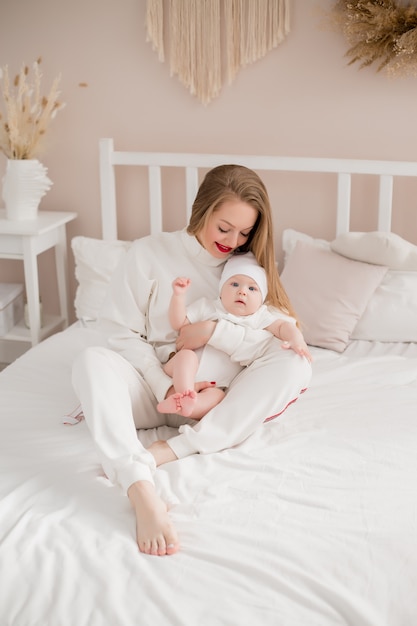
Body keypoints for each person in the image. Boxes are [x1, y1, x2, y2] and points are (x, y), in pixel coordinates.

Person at [71, 164, 312, 557]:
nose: (233, 240)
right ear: (201, 211)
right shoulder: (148, 253)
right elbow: (119, 332)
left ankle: (170, 451)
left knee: (296, 364)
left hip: (214, 402)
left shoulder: (248, 269)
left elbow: (271, 335)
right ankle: (140, 488)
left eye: (245, 232)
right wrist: (166, 384)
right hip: (156, 392)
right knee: (90, 360)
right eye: (224, 228)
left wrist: (215, 333)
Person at [156, 252, 312, 419]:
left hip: (215, 385)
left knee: (217, 397)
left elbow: (282, 326)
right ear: (221, 291)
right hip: (180, 370)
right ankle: (184, 393)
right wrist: (178, 297)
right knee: (187, 357)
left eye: (252, 288)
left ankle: (189, 405)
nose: (242, 292)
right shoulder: (208, 307)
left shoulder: (259, 317)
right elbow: (179, 324)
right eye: (235, 284)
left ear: (261, 300)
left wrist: (296, 339)